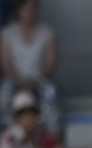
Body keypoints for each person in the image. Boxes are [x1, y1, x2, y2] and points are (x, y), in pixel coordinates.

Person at [0, 0, 59, 134]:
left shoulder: (47, 32)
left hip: (39, 79)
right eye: (25, 9)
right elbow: (5, 63)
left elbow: (51, 62)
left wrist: (35, 81)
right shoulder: (7, 33)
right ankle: (7, 136)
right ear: (19, 11)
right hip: (15, 79)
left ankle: (52, 136)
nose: (29, 13)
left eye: (33, 8)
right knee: (5, 91)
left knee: (51, 91)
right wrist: (20, 81)